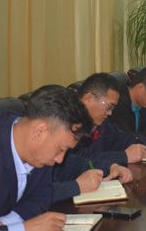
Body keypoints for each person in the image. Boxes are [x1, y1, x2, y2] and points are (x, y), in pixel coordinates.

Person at [0, 85, 91, 231]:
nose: (60, 159)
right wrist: (24, 228)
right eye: (60, 149)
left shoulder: (37, 154)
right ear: (40, 131)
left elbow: (42, 196)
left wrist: (7, 223)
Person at [52, 74, 135, 203]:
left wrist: (110, 166)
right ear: (89, 98)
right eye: (109, 107)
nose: (110, 113)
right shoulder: (65, 121)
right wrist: (76, 186)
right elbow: (36, 193)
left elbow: (75, 162)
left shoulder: (97, 121)